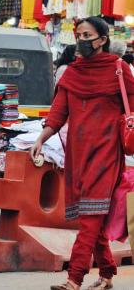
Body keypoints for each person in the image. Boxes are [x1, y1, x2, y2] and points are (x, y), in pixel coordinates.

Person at [30, 16, 134, 290]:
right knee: (92, 215)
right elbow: (58, 112)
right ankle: (107, 274)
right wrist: (42, 137)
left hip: (107, 152)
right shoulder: (73, 73)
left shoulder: (119, 69)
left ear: (102, 39)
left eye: (87, 35)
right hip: (77, 153)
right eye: (79, 35)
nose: (81, 40)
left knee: (90, 217)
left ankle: (74, 277)